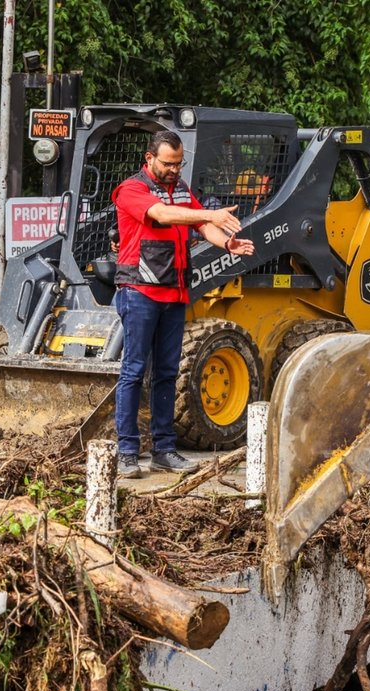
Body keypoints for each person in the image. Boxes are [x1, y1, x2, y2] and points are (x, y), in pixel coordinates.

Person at [111, 130, 255, 476]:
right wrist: (209, 216)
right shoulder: (132, 190)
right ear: (149, 159)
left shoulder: (181, 190)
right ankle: (127, 451)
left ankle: (164, 449)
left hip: (174, 293)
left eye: (179, 163)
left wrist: (226, 244)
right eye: (168, 163)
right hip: (139, 291)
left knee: (167, 373)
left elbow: (203, 227)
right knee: (133, 371)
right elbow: (163, 215)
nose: (175, 169)